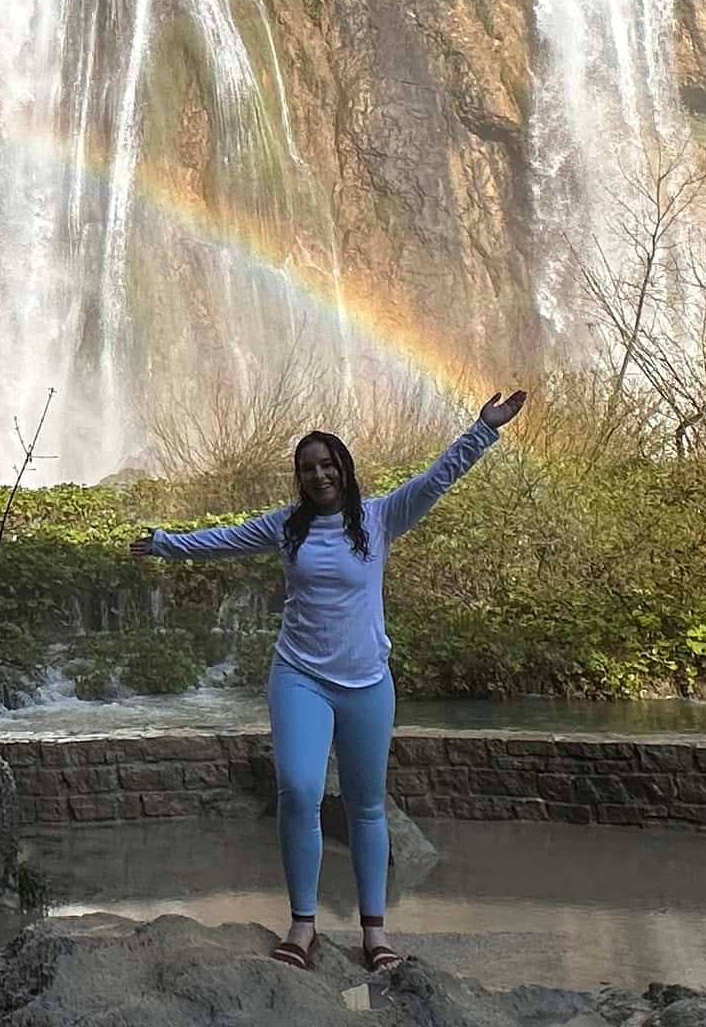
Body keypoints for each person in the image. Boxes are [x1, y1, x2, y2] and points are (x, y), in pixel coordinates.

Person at [130, 391, 527, 973]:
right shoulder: (287, 528)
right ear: (299, 478)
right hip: (300, 676)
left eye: (326, 464)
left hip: (367, 681)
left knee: (368, 807)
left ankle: (374, 933)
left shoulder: (381, 516)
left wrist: (483, 430)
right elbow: (225, 539)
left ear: (343, 466)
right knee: (298, 789)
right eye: (307, 468)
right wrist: (167, 543)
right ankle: (303, 925)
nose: (318, 475)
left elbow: (438, 478)